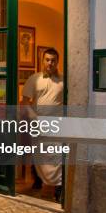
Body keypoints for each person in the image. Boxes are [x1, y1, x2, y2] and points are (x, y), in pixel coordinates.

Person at [20, 47, 64, 201]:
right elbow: (25, 102)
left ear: (57, 61)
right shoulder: (34, 79)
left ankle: (59, 189)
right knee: (38, 155)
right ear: (42, 61)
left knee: (57, 155)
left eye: (53, 60)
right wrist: (34, 118)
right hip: (37, 123)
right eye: (47, 60)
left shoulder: (64, 81)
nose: (50, 63)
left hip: (57, 125)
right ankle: (39, 180)